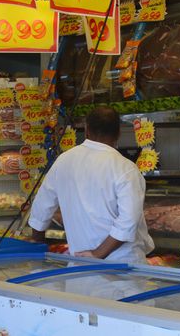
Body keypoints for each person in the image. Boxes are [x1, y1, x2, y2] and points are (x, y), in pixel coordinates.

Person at [28, 105, 153, 263]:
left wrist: (38, 248)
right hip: (123, 267)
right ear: (118, 133)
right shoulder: (125, 168)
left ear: (87, 130)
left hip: (80, 264)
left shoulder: (63, 161)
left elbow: (40, 211)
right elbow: (128, 221)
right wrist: (97, 255)